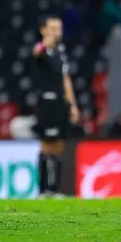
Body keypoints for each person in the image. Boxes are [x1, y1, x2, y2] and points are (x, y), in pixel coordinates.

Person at [31, 16, 80, 199]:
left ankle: (54, 189)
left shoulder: (61, 52)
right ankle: (43, 190)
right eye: (53, 28)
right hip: (46, 102)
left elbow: (65, 79)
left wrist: (72, 104)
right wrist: (46, 42)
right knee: (46, 144)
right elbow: (36, 52)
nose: (57, 32)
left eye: (59, 29)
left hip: (61, 102)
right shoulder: (41, 50)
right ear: (43, 30)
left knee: (59, 144)